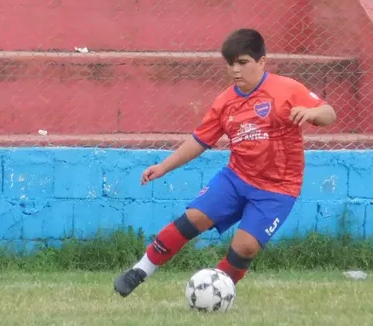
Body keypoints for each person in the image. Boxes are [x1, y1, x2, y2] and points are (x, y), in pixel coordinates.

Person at [114, 28, 337, 297]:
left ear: (262, 62)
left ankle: (214, 293)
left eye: (243, 62)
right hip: (236, 178)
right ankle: (139, 271)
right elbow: (199, 141)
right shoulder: (225, 102)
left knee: (246, 247)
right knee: (194, 218)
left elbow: (329, 113)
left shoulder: (286, 89)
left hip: (278, 188)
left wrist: (312, 111)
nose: (236, 70)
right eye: (230, 64)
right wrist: (164, 166)